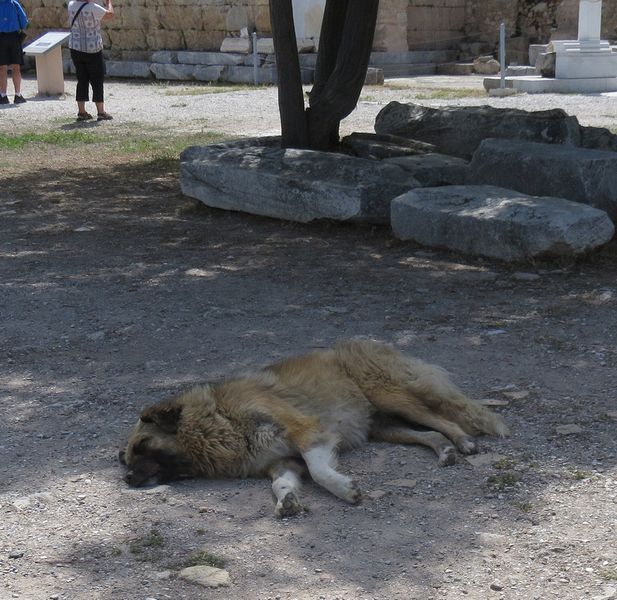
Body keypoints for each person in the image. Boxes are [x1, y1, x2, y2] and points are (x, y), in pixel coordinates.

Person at [68, 0, 114, 121]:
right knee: (97, 80)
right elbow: (110, 15)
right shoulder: (94, 8)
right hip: (92, 47)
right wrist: (108, 3)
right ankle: (101, 111)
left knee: (82, 79)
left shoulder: (71, 5)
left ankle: (81, 112)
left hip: (76, 46)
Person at [0, 0, 28, 105]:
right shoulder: (14, 4)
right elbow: (24, 21)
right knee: (16, 67)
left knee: (2, 67)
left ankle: (3, 96)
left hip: (0, 38)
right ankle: (17, 95)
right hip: (14, 37)